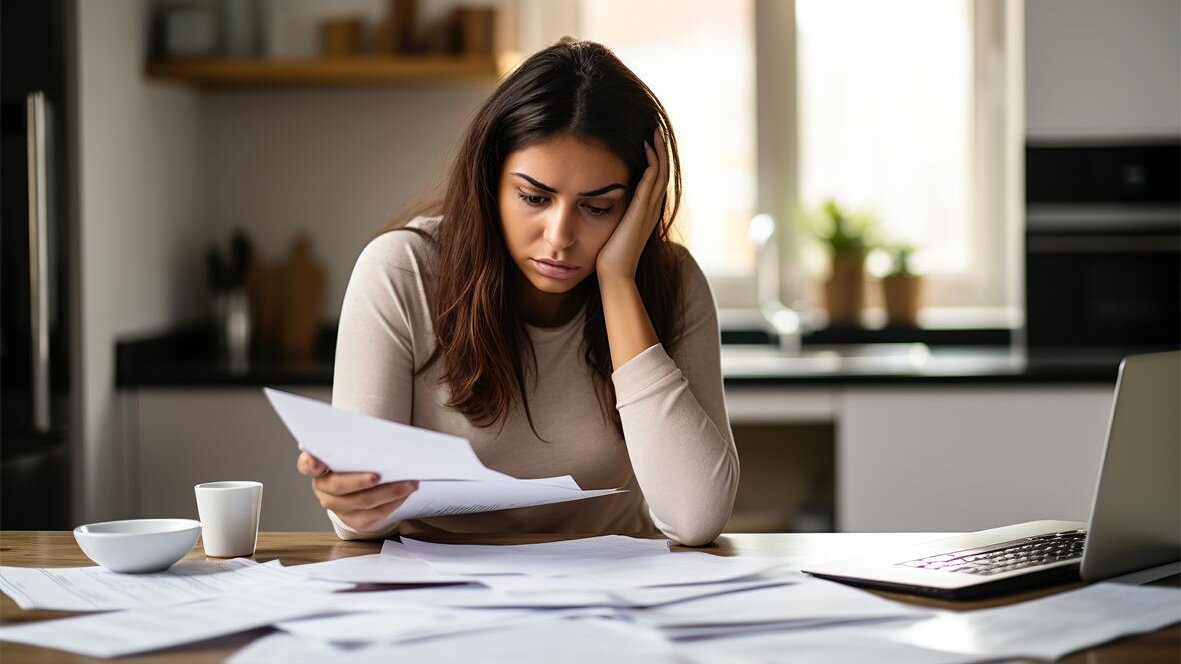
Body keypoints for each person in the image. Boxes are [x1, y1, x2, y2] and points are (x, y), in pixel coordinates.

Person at [297, 39, 738, 546]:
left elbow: (696, 519)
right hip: (438, 593)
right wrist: (353, 499)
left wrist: (618, 281)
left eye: (598, 207)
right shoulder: (401, 272)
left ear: (639, 201)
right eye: (534, 197)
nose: (559, 236)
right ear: (490, 181)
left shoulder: (673, 283)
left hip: (612, 594)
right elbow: (361, 524)